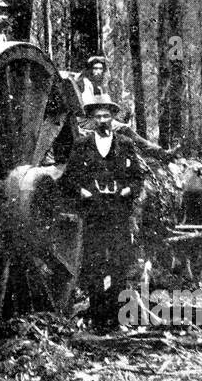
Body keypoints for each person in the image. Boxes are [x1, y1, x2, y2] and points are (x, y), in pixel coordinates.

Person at [62, 94, 144, 324]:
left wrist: (129, 190)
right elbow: (69, 178)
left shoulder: (125, 144)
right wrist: (82, 191)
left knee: (119, 259)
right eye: (98, 116)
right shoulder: (82, 145)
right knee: (94, 260)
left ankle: (118, 313)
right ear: (92, 120)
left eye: (107, 115)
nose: (103, 120)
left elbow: (138, 176)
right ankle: (98, 314)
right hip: (94, 211)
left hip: (118, 209)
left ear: (113, 118)